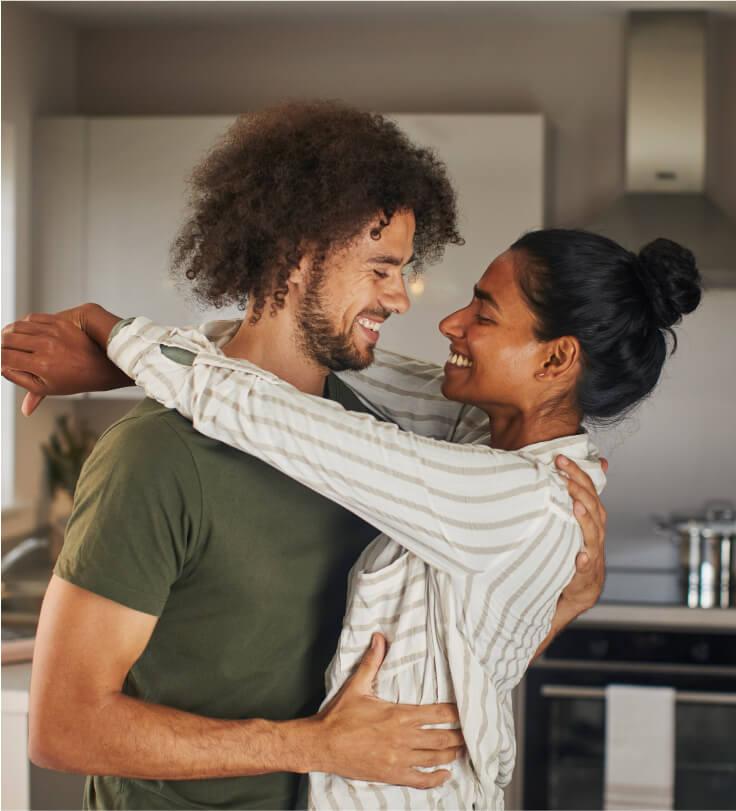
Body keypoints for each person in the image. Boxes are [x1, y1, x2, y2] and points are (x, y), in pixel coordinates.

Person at [1, 104, 607, 810]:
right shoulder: (157, 456)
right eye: (382, 268)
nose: (400, 298)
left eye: (403, 270)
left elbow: (441, 679)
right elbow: (65, 726)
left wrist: (559, 602)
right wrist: (310, 743)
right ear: (295, 253)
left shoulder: (386, 449)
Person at [36, 229, 699, 810]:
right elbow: (312, 360)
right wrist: (127, 366)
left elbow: (273, 416)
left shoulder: (512, 499)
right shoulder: (478, 433)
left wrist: (110, 329)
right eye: (378, 269)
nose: (446, 321)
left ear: (556, 359)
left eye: (484, 314)